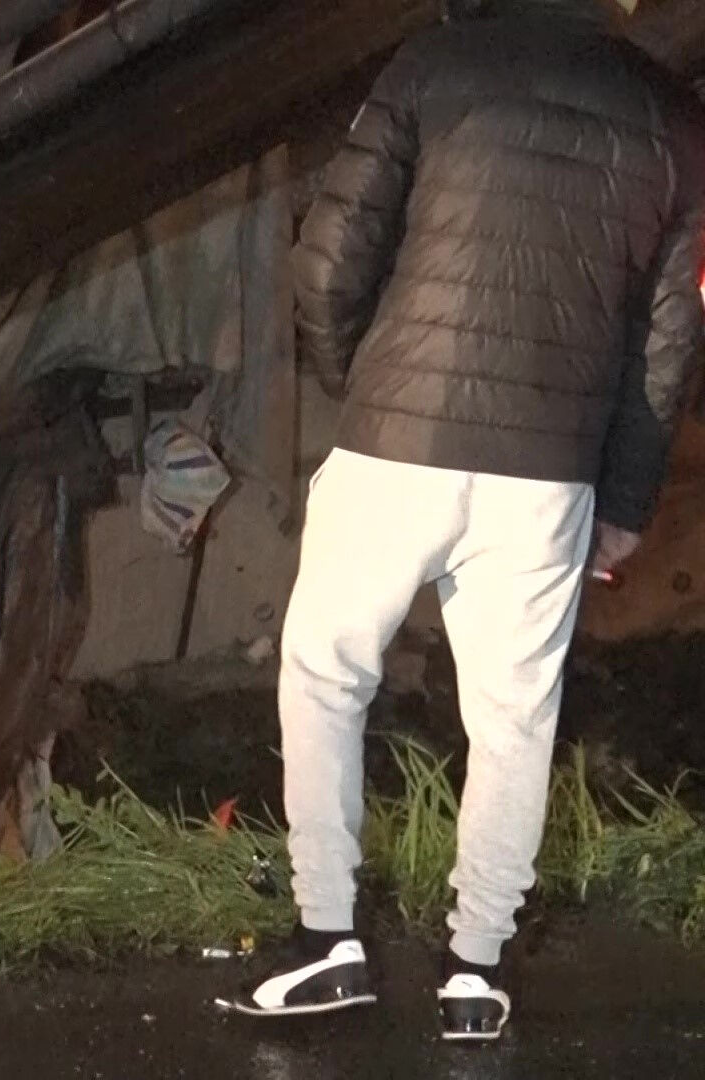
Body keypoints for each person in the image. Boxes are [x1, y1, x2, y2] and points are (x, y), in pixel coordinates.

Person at [219, 0, 705, 1041]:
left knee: (323, 673)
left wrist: (366, 390)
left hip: (397, 438)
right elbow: (669, 345)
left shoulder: (436, 60)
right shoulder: (669, 115)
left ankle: (327, 942)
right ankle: (476, 970)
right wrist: (620, 505)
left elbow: (328, 256)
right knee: (516, 721)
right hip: (550, 473)